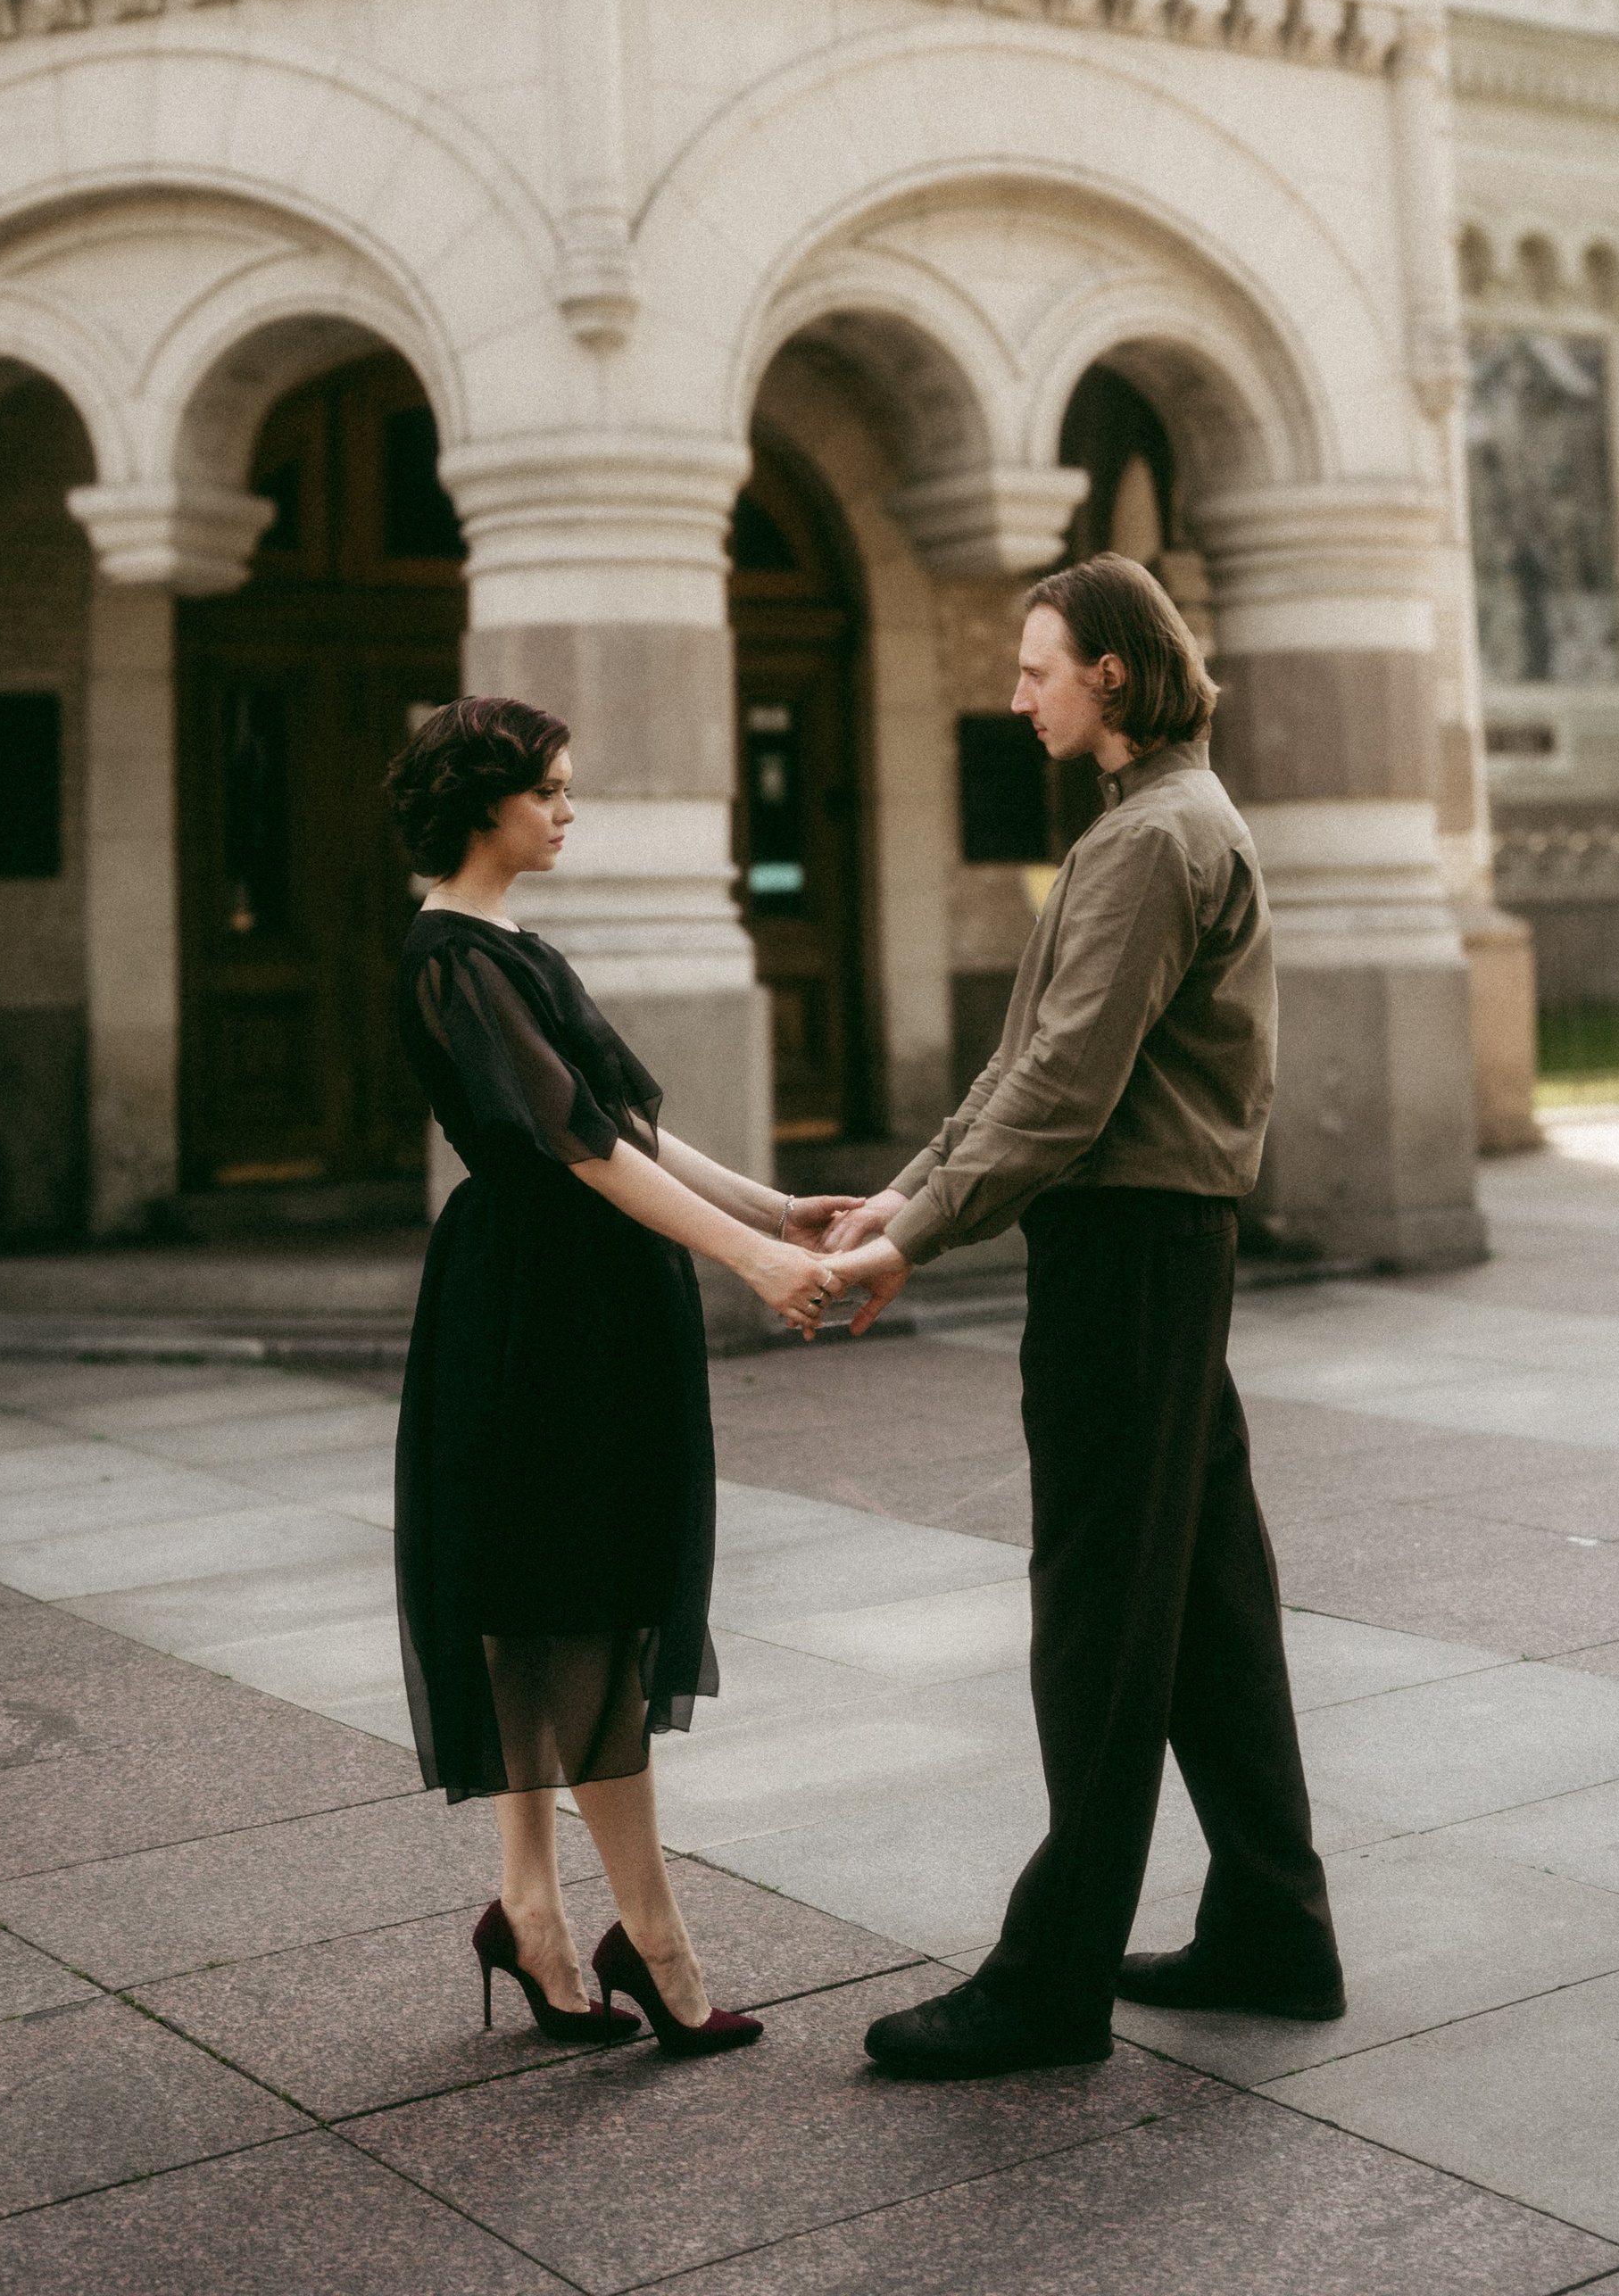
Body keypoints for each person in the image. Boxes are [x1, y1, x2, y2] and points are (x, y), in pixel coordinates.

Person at [823, 553, 1343, 2079]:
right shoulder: (1157, 821)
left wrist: (910, 1235)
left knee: (1104, 1618)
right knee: (1206, 1610)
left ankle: (1052, 1983)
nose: (1017, 691)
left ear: (1113, 672)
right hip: (1161, 1249)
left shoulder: (1147, 841)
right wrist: (900, 1194)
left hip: (1126, 1255)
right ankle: (1273, 1924)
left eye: (1039, 666)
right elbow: (1023, 1065)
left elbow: (1061, 1091)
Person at [387, 694, 859, 2060]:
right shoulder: (450, 959)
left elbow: (627, 1125)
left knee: (550, 1602)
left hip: (580, 1300)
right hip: (540, 1310)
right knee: (577, 1608)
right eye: (549, 790)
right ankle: (653, 1944)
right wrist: (753, 1268)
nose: (569, 809)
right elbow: (582, 1151)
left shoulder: (512, 947)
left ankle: (531, 1911)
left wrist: (777, 1215)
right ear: (485, 805)